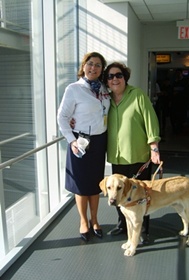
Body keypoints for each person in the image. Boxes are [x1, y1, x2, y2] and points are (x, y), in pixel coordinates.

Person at [103, 62, 161, 242]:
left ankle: (142, 229)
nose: (115, 79)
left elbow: (150, 120)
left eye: (118, 75)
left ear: (125, 77)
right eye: (110, 76)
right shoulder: (106, 100)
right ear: (106, 80)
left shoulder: (137, 95)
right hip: (117, 156)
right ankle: (123, 224)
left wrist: (154, 147)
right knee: (117, 194)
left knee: (141, 196)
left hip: (137, 154)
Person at [57, 52, 110, 242]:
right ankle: (83, 221)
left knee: (95, 184)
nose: (93, 68)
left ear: (102, 69)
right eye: (90, 64)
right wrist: (71, 140)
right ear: (83, 66)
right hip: (80, 141)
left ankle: (95, 220)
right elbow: (62, 117)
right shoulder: (73, 89)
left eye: (98, 65)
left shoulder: (104, 88)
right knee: (80, 185)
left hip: (99, 141)